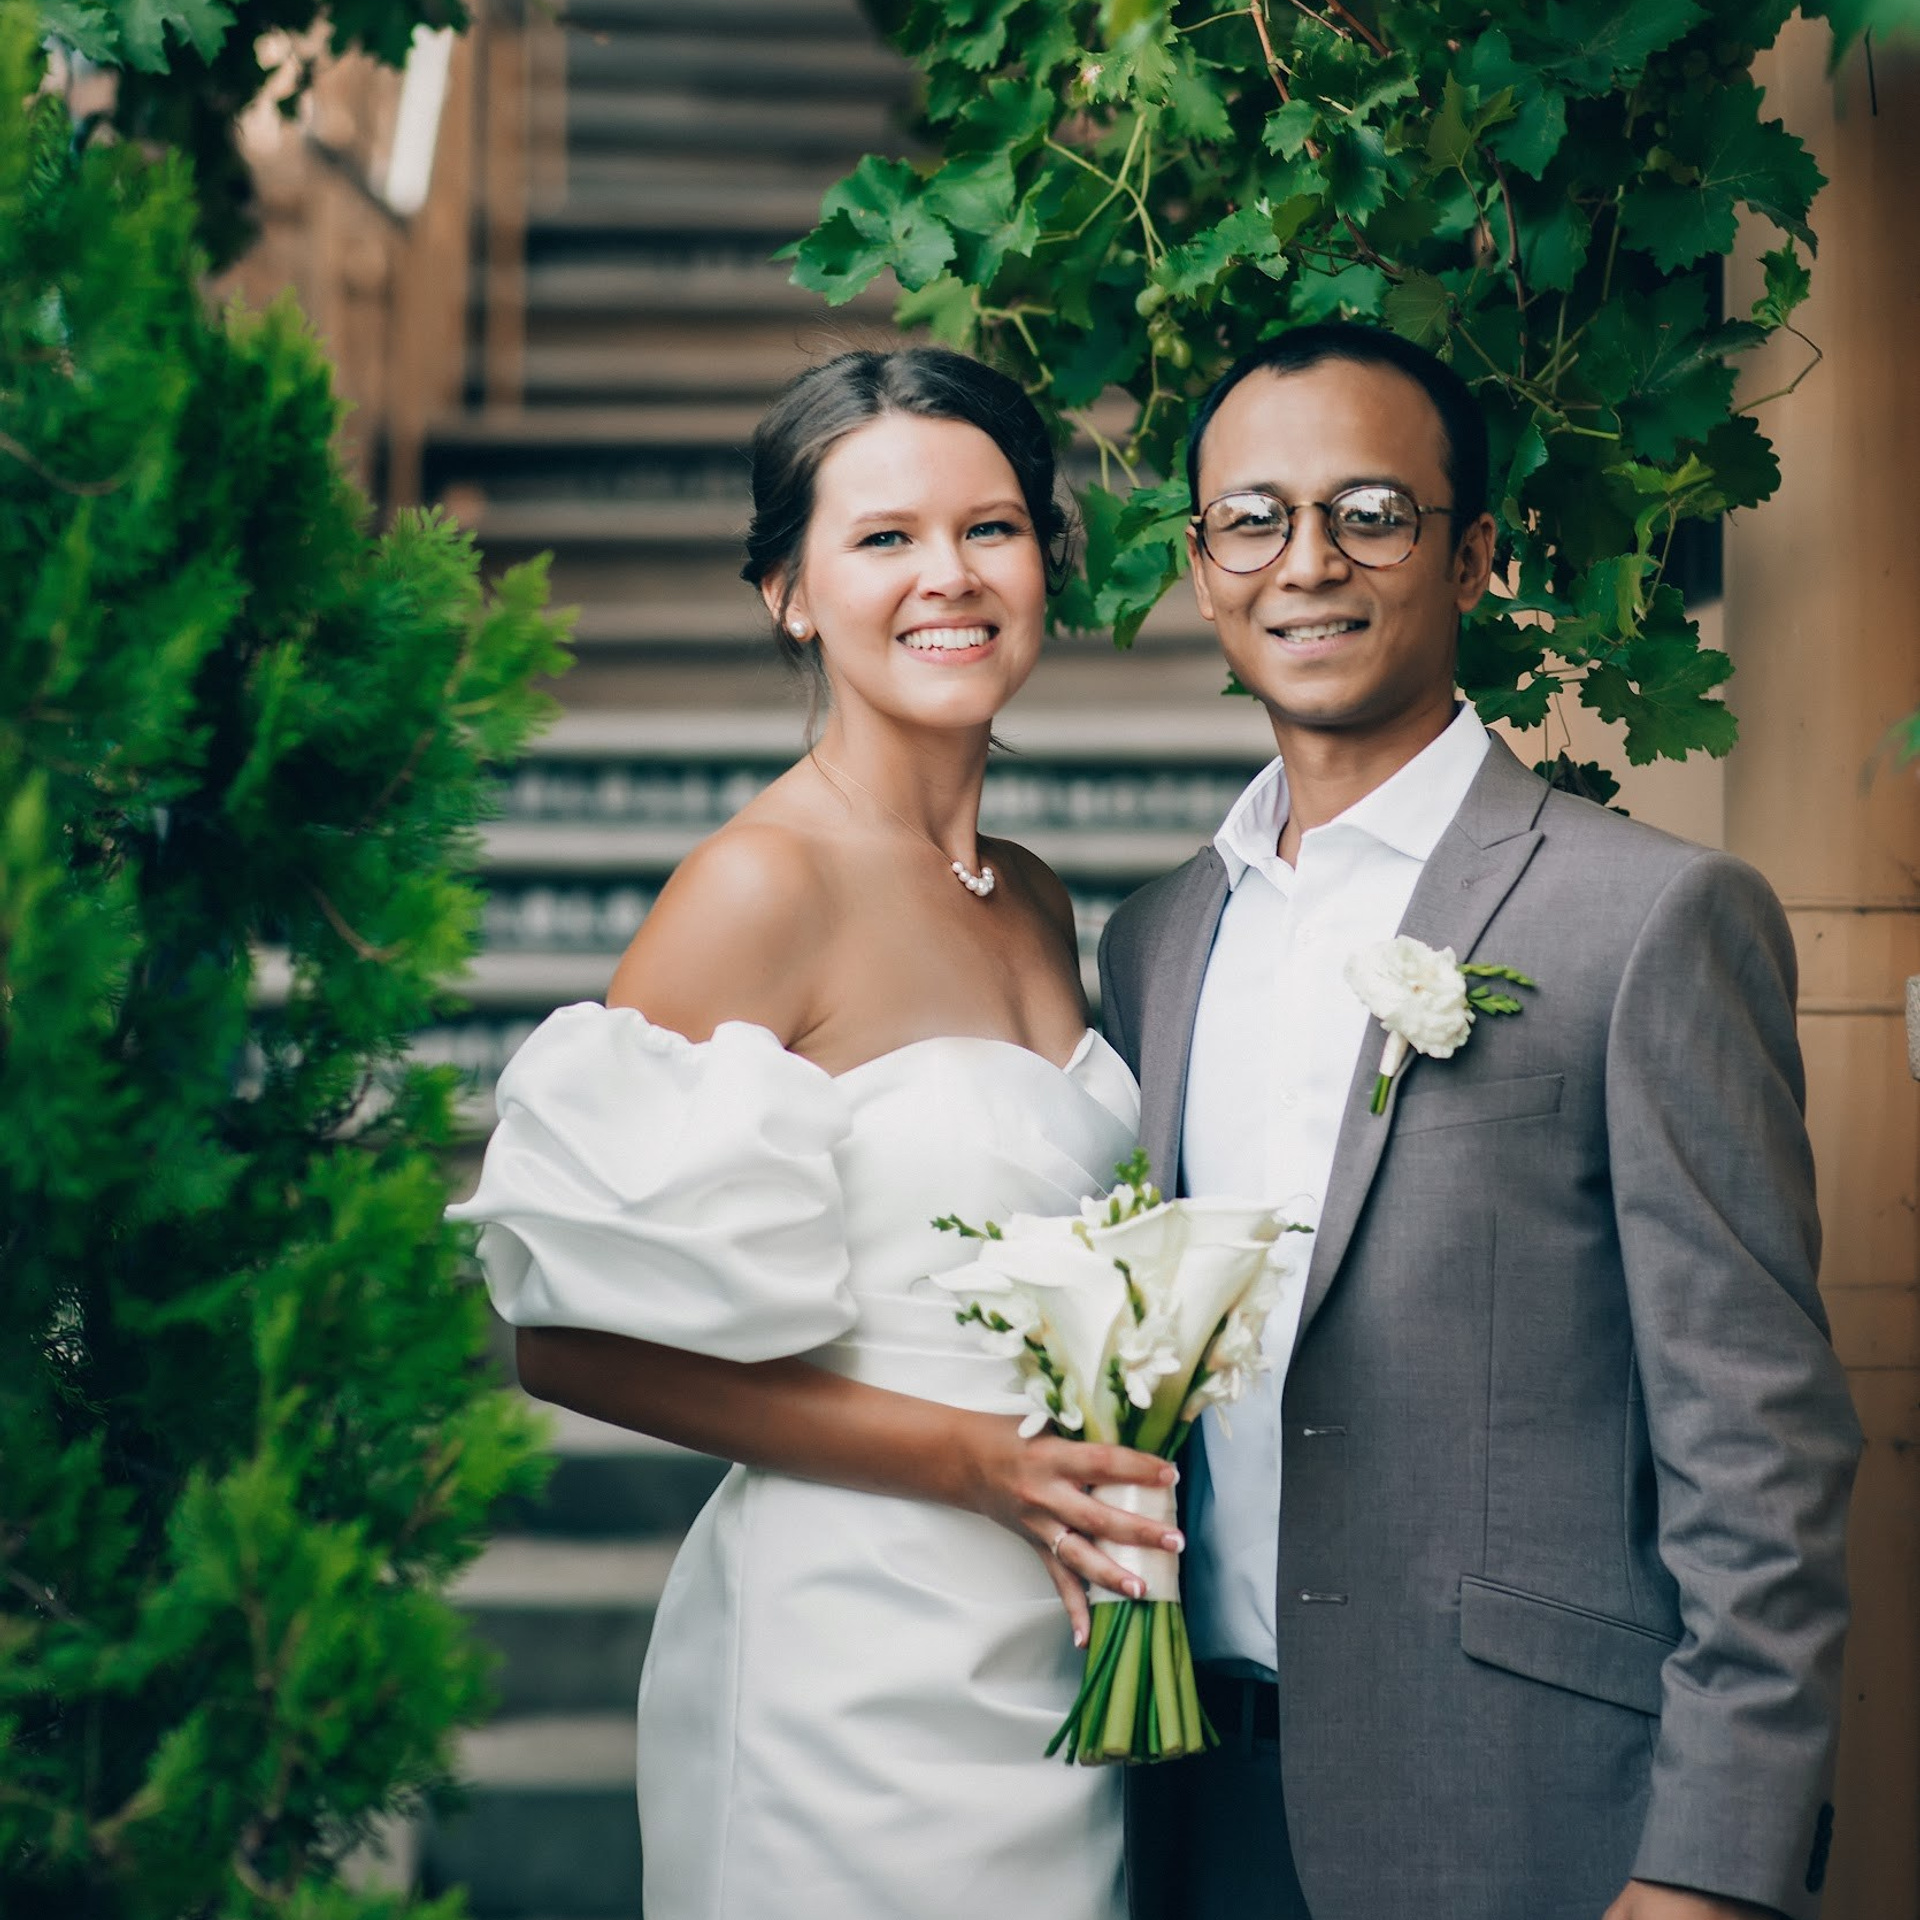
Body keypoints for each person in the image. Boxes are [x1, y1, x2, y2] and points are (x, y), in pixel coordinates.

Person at [1099, 323, 1862, 1920]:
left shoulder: (1644, 919)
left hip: (1530, 1812)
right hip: (1195, 1800)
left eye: (1371, 511)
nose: (1308, 562)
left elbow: (1761, 1447)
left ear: (1477, 558)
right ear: (1201, 564)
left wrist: (1710, 1868)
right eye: (1254, 518)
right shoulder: (1156, 939)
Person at [448, 347, 1169, 1920]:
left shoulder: (1038, 898)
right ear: (790, 592)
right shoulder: (758, 886)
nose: (951, 577)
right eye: (885, 538)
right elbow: (564, 1343)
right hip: (852, 1658)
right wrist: (977, 1462)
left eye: (993, 529)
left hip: (1056, 1644)